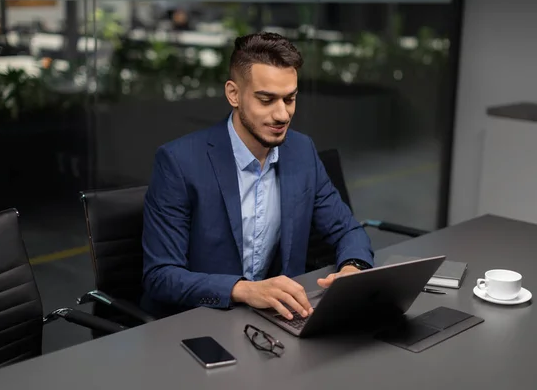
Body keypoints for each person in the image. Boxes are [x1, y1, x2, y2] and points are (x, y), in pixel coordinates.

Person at [141, 32, 374, 320]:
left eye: (290, 99)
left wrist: (352, 268)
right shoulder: (179, 162)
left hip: (276, 321)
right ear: (234, 94)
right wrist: (243, 290)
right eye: (266, 100)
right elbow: (160, 276)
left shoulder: (301, 151)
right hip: (199, 323)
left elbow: (348, 230)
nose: (282, 114)